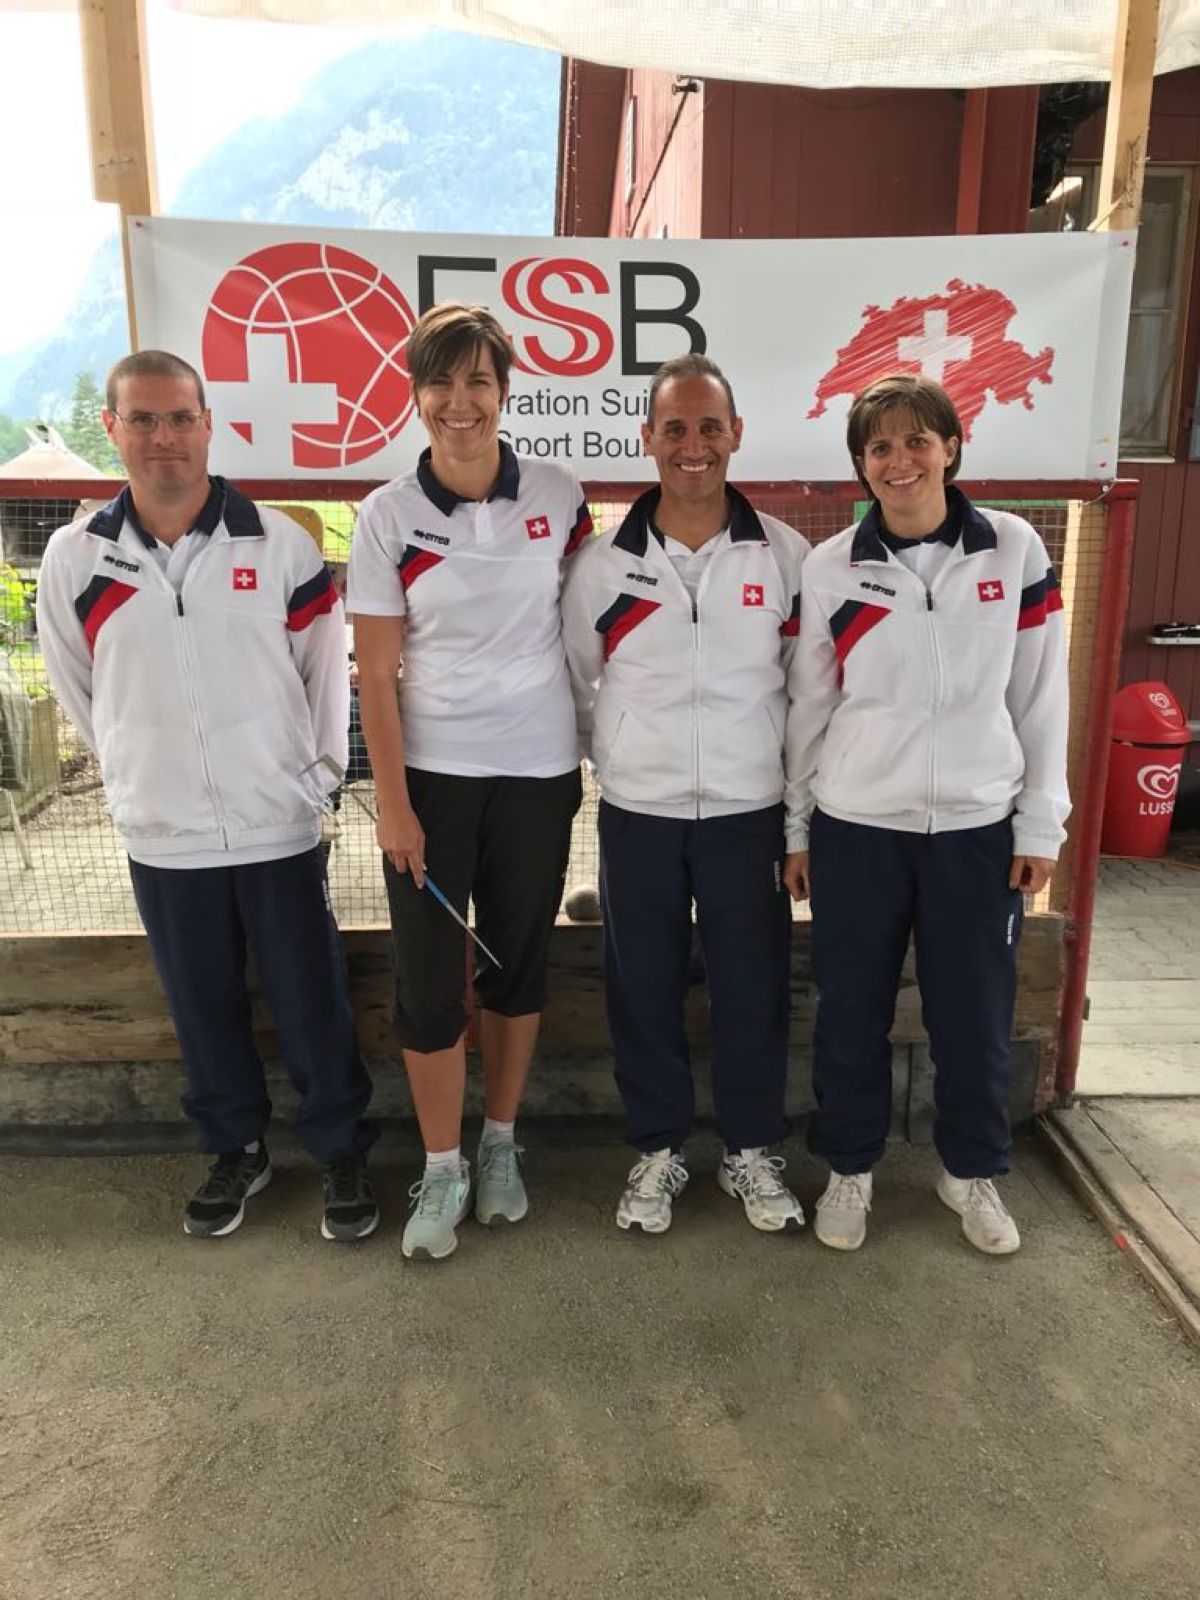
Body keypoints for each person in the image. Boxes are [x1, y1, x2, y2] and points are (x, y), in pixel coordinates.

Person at [36, 350, 377, 1242]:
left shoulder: (280, 544)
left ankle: (340, 1150)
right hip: (165, 834)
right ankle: (237, 1149)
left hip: (278, 826)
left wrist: (313, 779)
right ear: (111, 428)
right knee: (201, 1005)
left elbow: (324, 675)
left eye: (181, 417)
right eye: (143, 419)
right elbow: (78, 688)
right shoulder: (75, 558)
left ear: (208, 424)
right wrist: (132, 771)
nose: (165, 437)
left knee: (312, 1000)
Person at [784, 373, 1069, 1255]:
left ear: (951, 447)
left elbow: (1041, 696)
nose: (899, 460)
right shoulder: (830, 567)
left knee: (973, 1018)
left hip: (978, 833)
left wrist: (1039, 824)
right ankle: (850, 1166)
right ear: (861, 466)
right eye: (879, 447)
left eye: (917, 440)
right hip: (857, 828)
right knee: (850, 1013)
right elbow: (809, 708)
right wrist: (797, 827)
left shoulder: (1014, 549)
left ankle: (971, 1171)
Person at [347, 302, 587, 1262]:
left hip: (538, 771)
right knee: (428, 984)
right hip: (432, 781)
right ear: (416, 397)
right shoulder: (387, 515)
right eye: (440, 383)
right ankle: (442, 1166)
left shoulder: (560, 496)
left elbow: (583, 621)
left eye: (478, 381)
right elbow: (375, 675)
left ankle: (499, 1146)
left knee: (516, 966)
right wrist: (394, 805)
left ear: (505, 390)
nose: (461, 402)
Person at [562, 354, 810, 1236]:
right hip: (640, 814)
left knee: (752, 988)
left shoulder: (785, 555)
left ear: (736, 434)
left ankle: (750, 1149)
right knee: (643, 988)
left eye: (710, 427)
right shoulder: (602, 565)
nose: (693, 445)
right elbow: (579, 684)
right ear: (648, 439)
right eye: (675, 428)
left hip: (748, 814)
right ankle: (658, 1149)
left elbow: (806, 692)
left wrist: (795, 821)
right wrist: (620, 761)